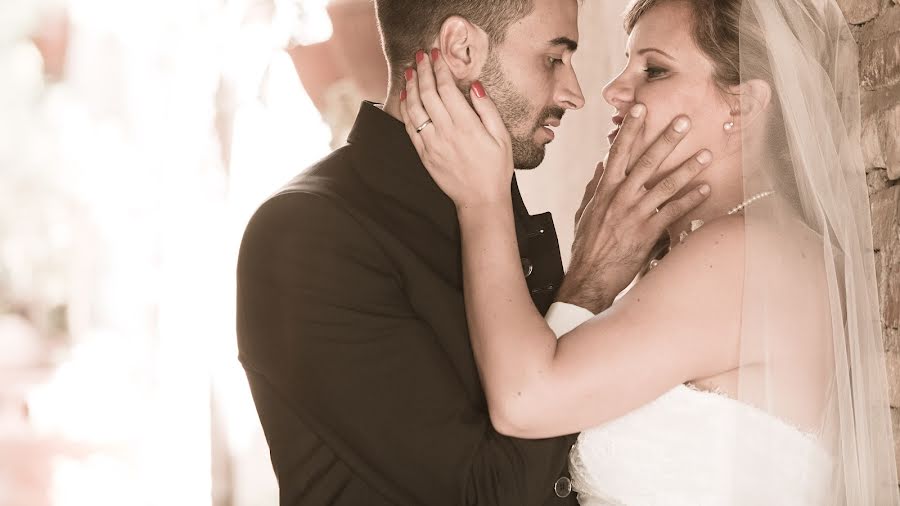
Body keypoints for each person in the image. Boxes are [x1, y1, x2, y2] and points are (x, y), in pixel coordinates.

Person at [400, 0, 900, 504]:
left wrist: (483, 201)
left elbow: (526, 401)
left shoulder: (742, 252)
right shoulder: (728, 248)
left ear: (742, 107)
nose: (613, 89)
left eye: (654, 70)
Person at [235, 0, 713, 504]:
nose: (574, 94)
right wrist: (590, 284)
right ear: (461, 49)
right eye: (553, 58)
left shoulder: (488, 201)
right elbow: (491, 492)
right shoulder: (308, 233)